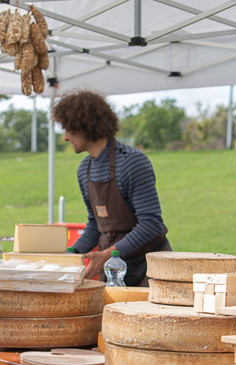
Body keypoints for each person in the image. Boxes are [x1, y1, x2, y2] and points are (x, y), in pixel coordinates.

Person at [52, 90, 171, 286]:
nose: (65, 137)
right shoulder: (85, 170)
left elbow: (151, 224)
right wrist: (70, 254)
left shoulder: (132, 163)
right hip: (114, 268)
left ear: (84, 125)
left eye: (68, 129)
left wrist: (106, 255)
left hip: (150, 269)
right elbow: (95, 225)